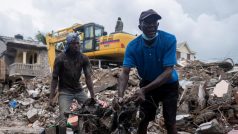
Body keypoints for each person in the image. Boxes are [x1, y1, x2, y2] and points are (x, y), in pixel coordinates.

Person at [118, 9, 179, 134]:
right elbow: (125, 72)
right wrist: (119, 96)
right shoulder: (133, 46)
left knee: (170, 122)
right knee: (143, 120)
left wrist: (144, 90)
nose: (151, 25)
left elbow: (168, 72)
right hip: (148, 83)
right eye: (147, 22)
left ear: (158, 24)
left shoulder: (169, 40)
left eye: (154, 22)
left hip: (169, 85)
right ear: (140, 26)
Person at [49, 33, 95, 133]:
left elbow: (88, 78)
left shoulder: (84, 58)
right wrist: (51, 98)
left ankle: (80, 130)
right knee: (63, 119)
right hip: (65, 91)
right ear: (68, 44)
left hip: (78, 90)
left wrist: (93, 97)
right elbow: (54, 79)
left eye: (78, 43)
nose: (76, 45)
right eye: (73, 43)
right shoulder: (60, 58)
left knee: (91, 112)